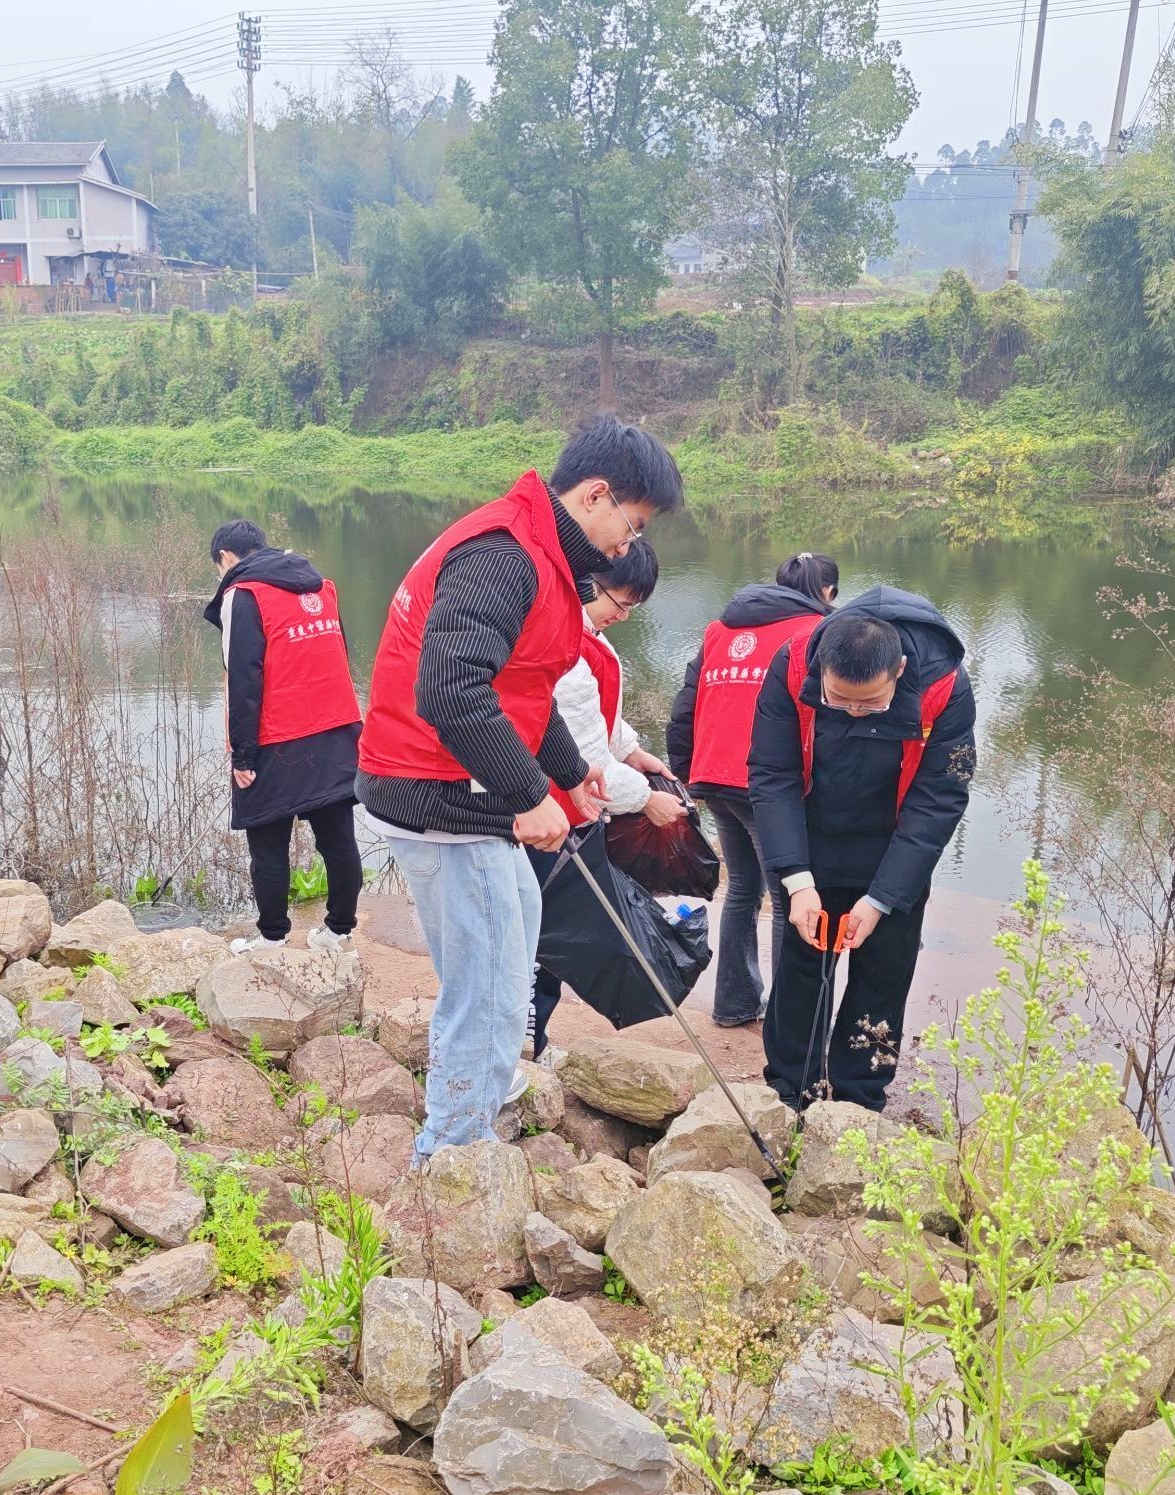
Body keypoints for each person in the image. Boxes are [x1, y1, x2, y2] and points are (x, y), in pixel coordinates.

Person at [356, 415, 684, 1164]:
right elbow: (452, 691)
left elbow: (521, 687)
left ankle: (472, 1108)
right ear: (596, 495)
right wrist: (531, 795)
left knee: (510, 946)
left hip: (454, 793)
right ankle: (449, 1157)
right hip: (438, 795)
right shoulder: (504, 556)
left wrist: (572, 772)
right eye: (630, 528)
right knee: (493, 990)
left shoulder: (541, 550)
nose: (627, 547)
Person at [749, 584, 976, 1112]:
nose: (851, 712)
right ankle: (790, 1091)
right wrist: (795, 879)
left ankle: (859, 1099)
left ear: (898, 671)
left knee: (883, 972)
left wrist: (882, 899)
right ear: (821, 669)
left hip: (894, 850)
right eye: (837, 699)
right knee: (802, 966)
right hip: (810, 842)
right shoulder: (791, 664)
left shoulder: (945, 685)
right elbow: (772, 773)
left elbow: (939, 798)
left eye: (868, 702)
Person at [667, 553, 838, 1028]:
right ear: (828, 594)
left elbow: (688, 702)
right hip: (768, 783)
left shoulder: (719, 630)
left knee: (742, 888)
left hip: (714, 773)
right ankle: (790, 1021)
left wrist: (686, 769)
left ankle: (734, 1005)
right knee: (789, 899)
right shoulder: (815, 632)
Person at [527, 539, 681, 1061]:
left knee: (551, 929)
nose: (624, 614)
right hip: (552, 813)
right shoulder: (565, 650)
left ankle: (532, 1036)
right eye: (619, 601)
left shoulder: (586, 636)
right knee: (545, 936)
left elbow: (600, 722)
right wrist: (646, 802)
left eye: (634, 606)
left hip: (573, 810)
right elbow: (583, 750)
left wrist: (636, 753)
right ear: (586, 585)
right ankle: (529, 1041)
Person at [202, 519, 364, 956]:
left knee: (267, 841)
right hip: (337, 732)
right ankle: (338, 932)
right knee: (338, 839)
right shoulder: (321, 588)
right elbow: (340, 657)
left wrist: (243, 756)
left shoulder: (243, 595)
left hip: (279, 738)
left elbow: (243, 679)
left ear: (226, 558)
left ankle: (272, 938)